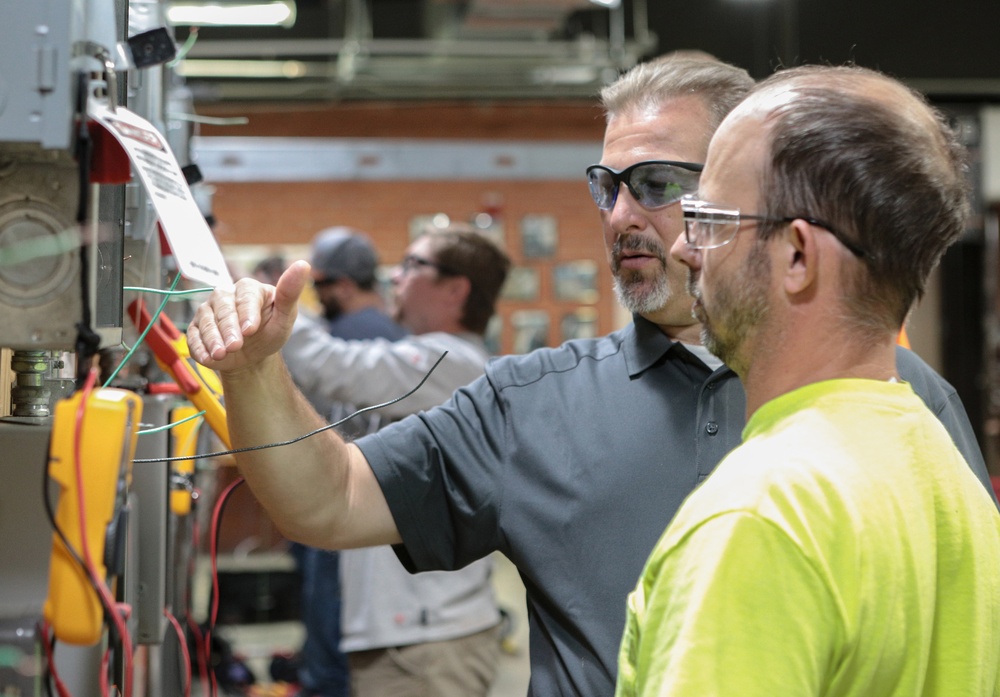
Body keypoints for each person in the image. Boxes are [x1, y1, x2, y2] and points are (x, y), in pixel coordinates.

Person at [186, 54, 997, 696]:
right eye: (606, 187)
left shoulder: (903, 405)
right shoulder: (534, 399)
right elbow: (328, 497)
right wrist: (256, 373)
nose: (621, 219)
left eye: (658, 187)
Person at [616, 64, 1000, 696]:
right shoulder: (948, 479)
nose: (686, 249)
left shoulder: (761, 517)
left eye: (709, 219)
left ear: (796, 255)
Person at [283, 224, 510, 696]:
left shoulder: (455, 364)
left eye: (412, 265)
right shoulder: (421, 360)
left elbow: (327, 364)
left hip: (428, 642)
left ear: (455, 288)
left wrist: (262, 294)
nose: (395, 278)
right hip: (401, 633)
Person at [287, 227, 406, 697]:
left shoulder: (337, 340)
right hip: (375, 519)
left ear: (342, 285)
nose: (319, 300)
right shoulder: (399, 337)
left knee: (329, 657)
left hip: (337, 507)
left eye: (320, 288)